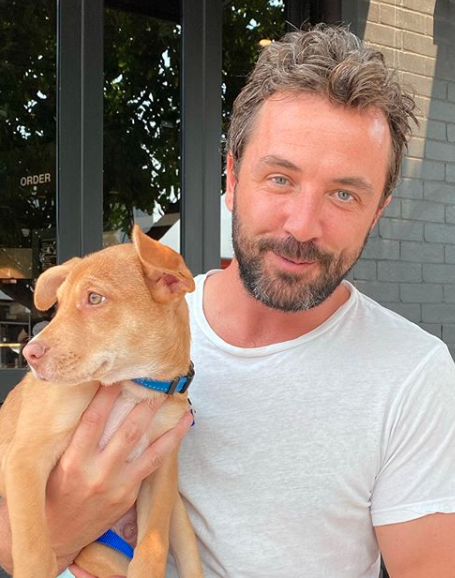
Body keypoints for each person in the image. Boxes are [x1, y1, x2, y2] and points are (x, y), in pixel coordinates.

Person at [1, 23, 455, 578]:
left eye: (343, 193)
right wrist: (62, 531)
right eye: (281, 178)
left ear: (377, 210)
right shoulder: (131, 329)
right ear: (233, 178)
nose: (303, 225)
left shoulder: (412, 373)